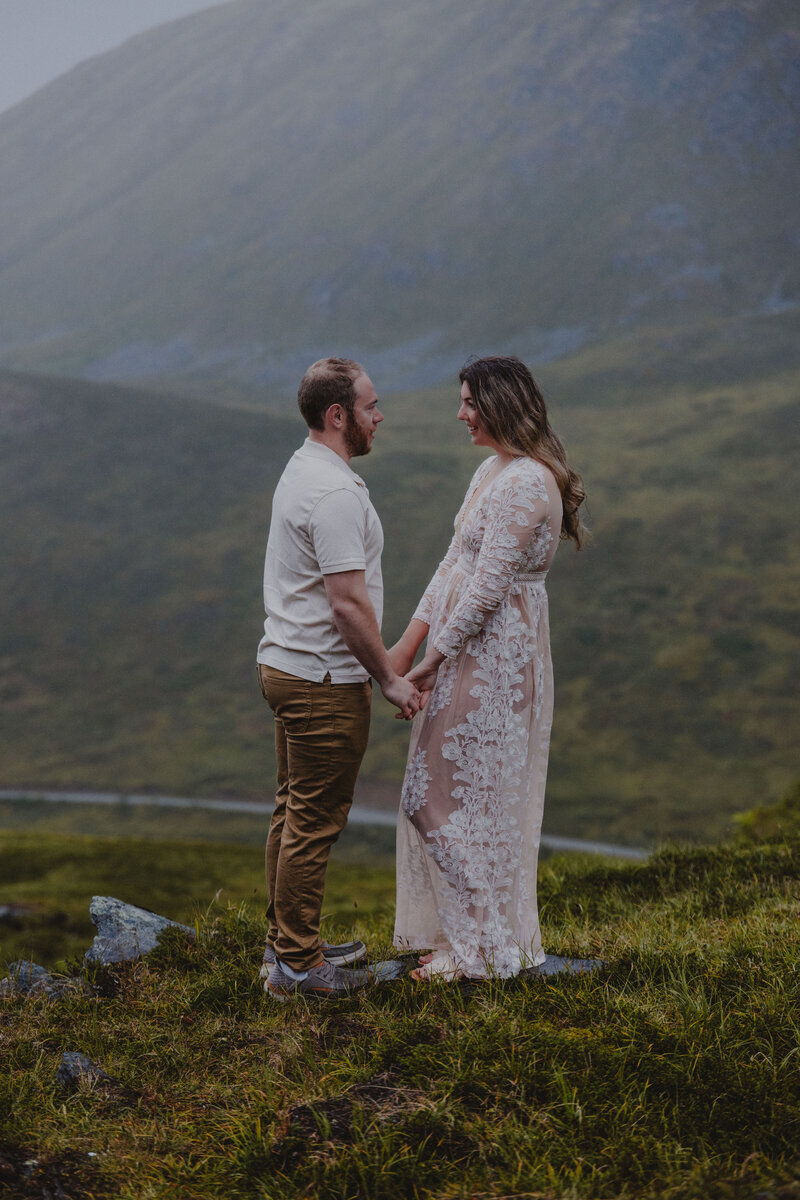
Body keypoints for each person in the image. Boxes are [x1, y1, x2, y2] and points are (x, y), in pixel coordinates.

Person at [388, 355, 585, 981]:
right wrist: (404, 648)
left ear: (501, 404)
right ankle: (468, 939)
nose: (461, 413)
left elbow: (489, 586)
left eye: (471, 401)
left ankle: (481, 950)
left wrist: (429, 664)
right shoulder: (490, 470)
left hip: (495, 654)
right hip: (462, 644)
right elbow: (453, 565)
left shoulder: (529, 481)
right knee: (451, 797)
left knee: (438, 796)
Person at [257, 357, 421, 1002]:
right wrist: (388, 678)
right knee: (315, 820)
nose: (379, 416)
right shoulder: (333, 494)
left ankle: (289, 945)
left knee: (291, 811)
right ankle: (298, 968)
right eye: (371, 406)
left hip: (288, 664)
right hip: (322, 679)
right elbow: (348, 603)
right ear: (338, 415)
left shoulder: (305, 467)